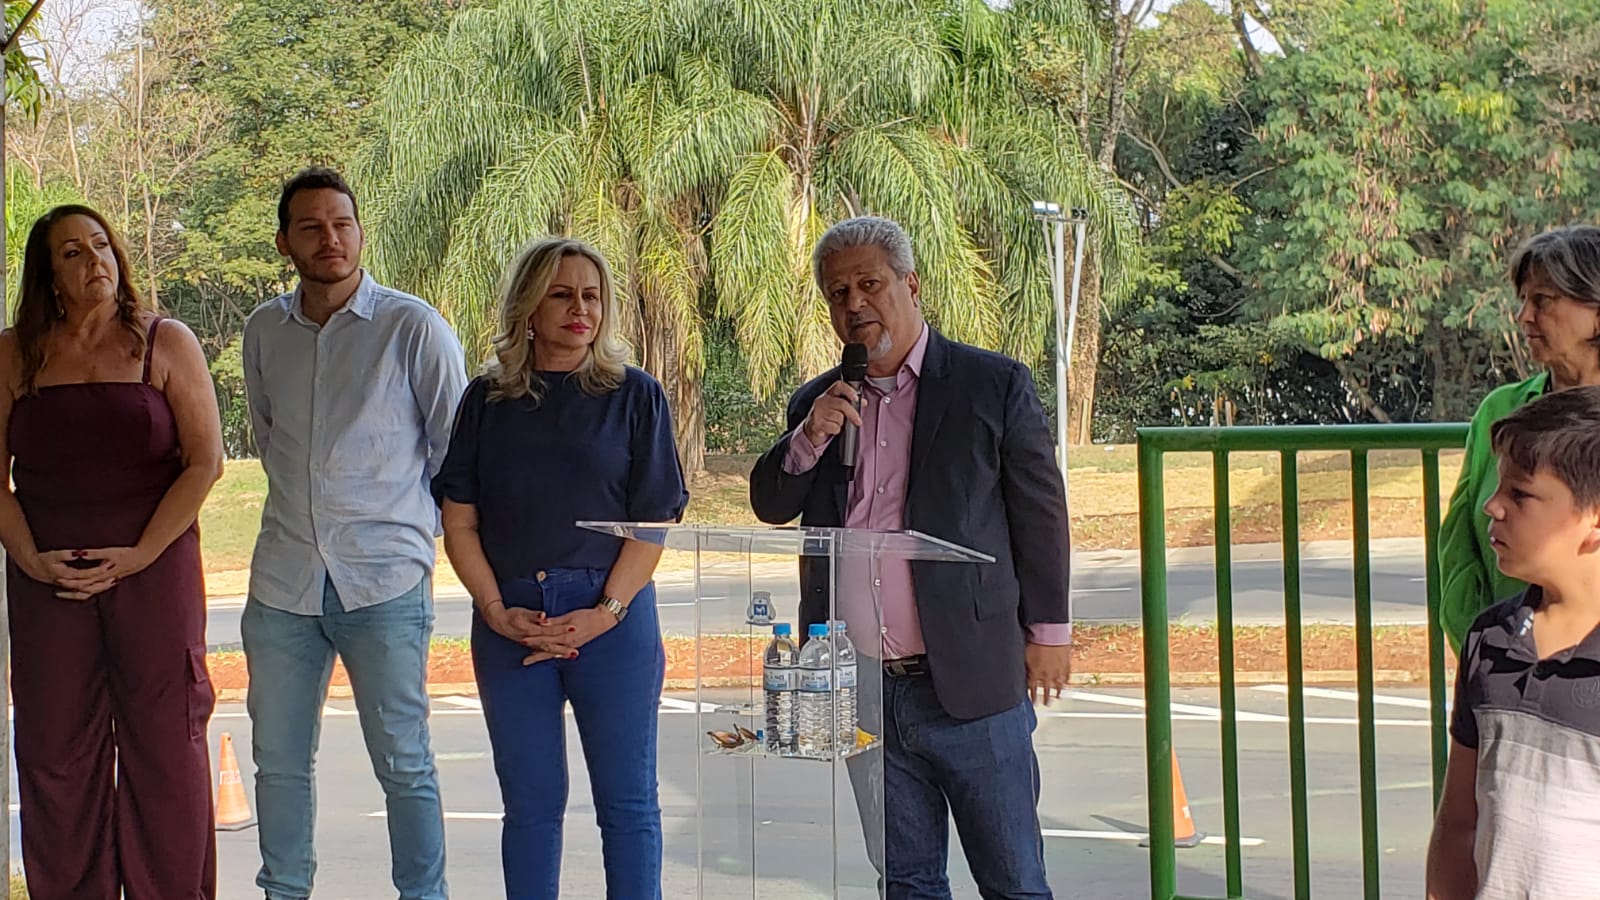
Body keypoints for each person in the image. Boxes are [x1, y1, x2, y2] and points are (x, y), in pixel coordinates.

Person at [749, 215, 1072, 898]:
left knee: (1014, 881)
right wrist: (810, 435)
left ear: (912, 284)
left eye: (870, 284)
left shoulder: (991, 385)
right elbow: (771, 503)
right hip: (863, 687)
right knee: (906, 882)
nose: (854, 304)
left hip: (970, 681)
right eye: (838, 293)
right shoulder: (818, 402)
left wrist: (1049, 633)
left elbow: (1040, 517)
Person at [432, 237, 688, 899]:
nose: (581, 309)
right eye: (562, 294)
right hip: (511, 621)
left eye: (592, 296)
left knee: (628, 804)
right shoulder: (485, 401)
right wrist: (495, 611)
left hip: (613, 620)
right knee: (530, 807)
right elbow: (460, 522)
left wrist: (605, 613)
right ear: (528, 306)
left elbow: (652, 524)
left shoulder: (636, 395)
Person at [241, 167, 467, 900]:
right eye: (310, 227)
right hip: (283, 584)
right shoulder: (263, 331)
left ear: (360, 232)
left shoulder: (412, 327)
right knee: (277, 763)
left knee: (404, 762)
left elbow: (456, 454)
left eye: (342, 224)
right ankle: (284, 892)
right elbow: (270, 438)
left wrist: (417, 539)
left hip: (385, 582)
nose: (330, 239)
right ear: (285, 242)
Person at [0, 205, 224, 899]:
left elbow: (205, 463)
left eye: (101, 245)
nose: (93, 259)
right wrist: (31, 559)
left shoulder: (165, 341)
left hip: (154, 572)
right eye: (72, 252)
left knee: (167, 749)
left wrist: (141, 553)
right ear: (49, 275)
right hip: (49, 579)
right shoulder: (13, 354)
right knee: (55, 752)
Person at [1426, 385, 1600, 899]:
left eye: (1520, 494)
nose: (1492, 506)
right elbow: (1459, 821)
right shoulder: (1489, 640)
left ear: (1595, 519)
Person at [1440, 225, 1600, 652]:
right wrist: (1488, 653)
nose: (1524, 316)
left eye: (1543, 300)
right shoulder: (1500, 412)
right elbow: (1460, 553)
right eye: (1524, 299)